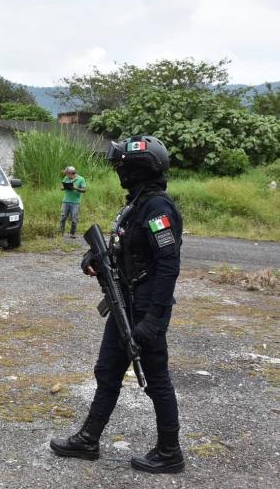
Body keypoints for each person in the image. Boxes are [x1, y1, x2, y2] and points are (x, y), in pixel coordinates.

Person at [50, 135, 184, 474]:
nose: (119, 170)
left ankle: (170, 451)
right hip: (123, 303)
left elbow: (168, 265)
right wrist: (90, 259)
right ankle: (88, 439)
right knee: (107, 372)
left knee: (156, 380)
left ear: (139, 168)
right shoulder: (135, 205)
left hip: (145, 309)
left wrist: (154, 318)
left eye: (123, 165)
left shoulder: (158, 209)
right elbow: (116, 253)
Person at [60, 165, 87, 238]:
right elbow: (61, 187)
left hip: (75, 202)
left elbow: (84, 190)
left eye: (67, 173)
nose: (66, 175)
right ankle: (60, 233)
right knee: (63, 217)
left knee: (74, 219)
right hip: (65, 201)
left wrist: (75, 188)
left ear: (72, 173)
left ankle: (72, 233)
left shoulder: (81, 179)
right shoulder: (66, 178)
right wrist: (64, 187)